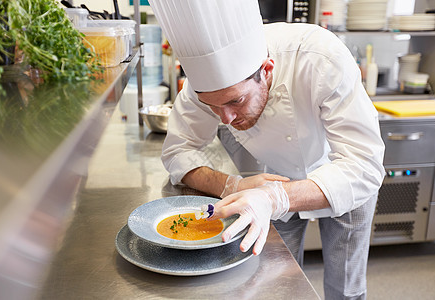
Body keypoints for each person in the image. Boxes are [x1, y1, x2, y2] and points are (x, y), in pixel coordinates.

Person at [149, 0, 385, 299]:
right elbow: (177, 151)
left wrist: (277, 197)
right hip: (276, 174)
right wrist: (232, 184)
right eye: (212, 106)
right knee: (276, 280)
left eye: (236, 102)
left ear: (267, 70)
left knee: (346, 287)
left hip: (346, 174)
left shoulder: (321, 57)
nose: (226, 119)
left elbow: (363, 166)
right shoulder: (201, 87)